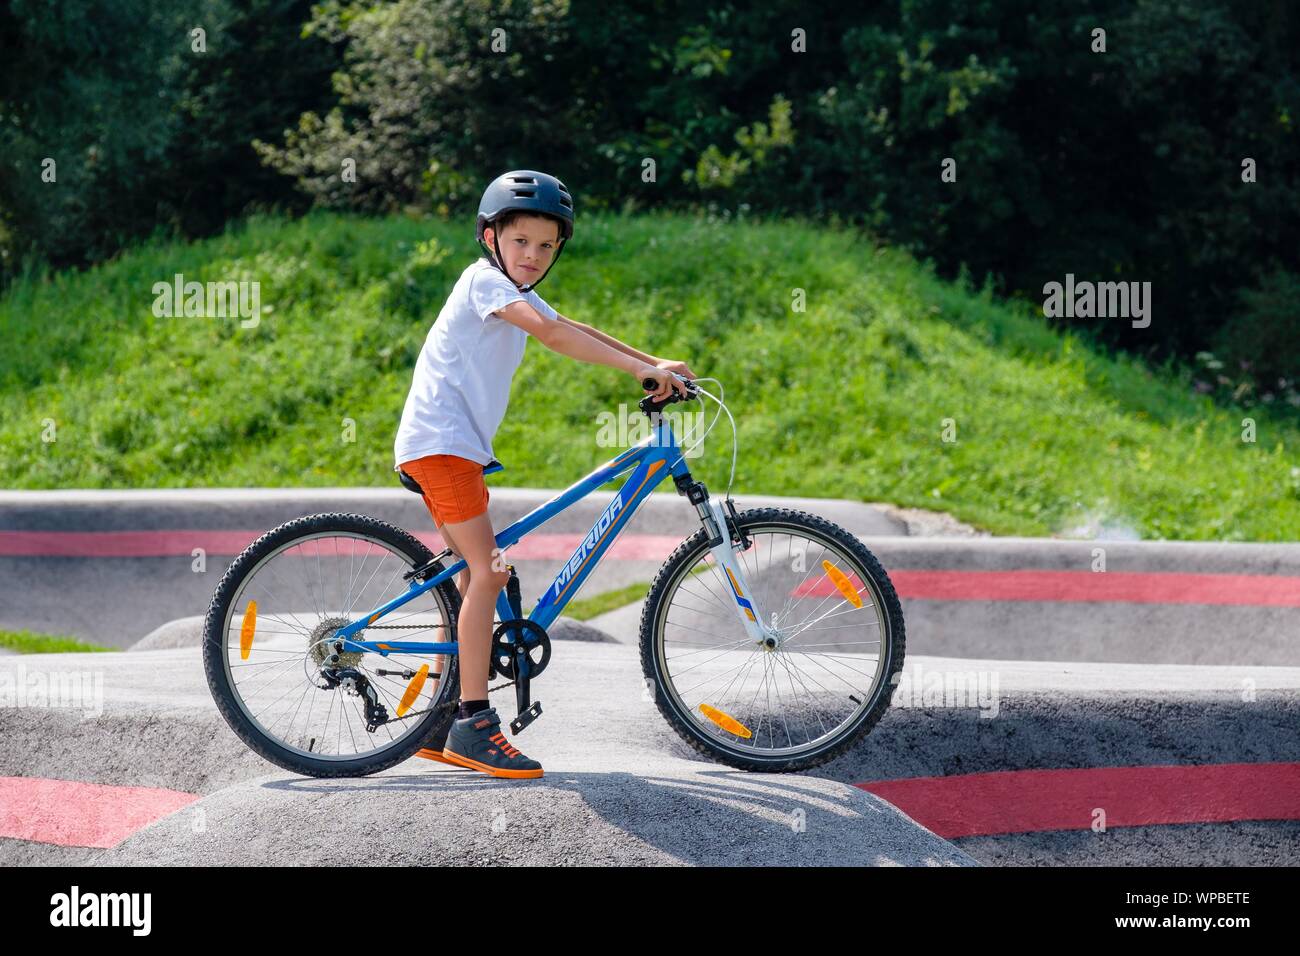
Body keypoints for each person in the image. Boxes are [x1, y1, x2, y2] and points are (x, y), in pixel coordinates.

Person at [394, 169, 695, 778]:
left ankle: (441, 715)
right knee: (487, 572)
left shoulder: (511, 289)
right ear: (490, 238)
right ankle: (474, 725)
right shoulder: (483, 282)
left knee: (473, 576)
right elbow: (553, 335)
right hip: (442, 445)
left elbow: (573, 327)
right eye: (521, 241)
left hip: (453, 448)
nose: (532, 255)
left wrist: (651, 362)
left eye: (546, 246)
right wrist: (637, 374)